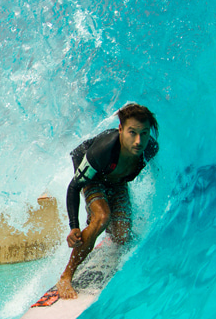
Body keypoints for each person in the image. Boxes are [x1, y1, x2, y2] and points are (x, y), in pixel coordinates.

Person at [55, 102, 159, 300]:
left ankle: (99, 231)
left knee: (122, 236)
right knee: (102, 217)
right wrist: (74, 226)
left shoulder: (149, 149)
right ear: (120, 129)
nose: (138, 141)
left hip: (116, 180)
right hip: (92, 175)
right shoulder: (103, 151)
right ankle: (66, 275)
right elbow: (74, 186)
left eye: (144, 133)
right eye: (132, 132)